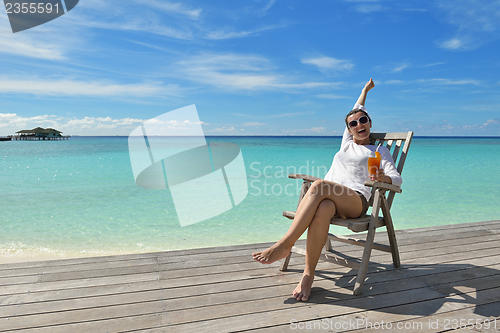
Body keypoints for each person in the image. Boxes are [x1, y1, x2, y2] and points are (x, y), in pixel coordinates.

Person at [252, 78, 402, 301]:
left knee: (319, 185)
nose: (359, 125)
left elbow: (397, 180)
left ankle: (284, 245)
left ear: (370, 122)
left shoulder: (379, 151)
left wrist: (384, 177)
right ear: (348, 129)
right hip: (331, 199)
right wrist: (364, 90)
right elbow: (357, 107)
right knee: (323, 207)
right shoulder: (346, 143)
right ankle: (307, 276)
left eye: (363, 120)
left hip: (356, 201)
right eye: (353, 124)